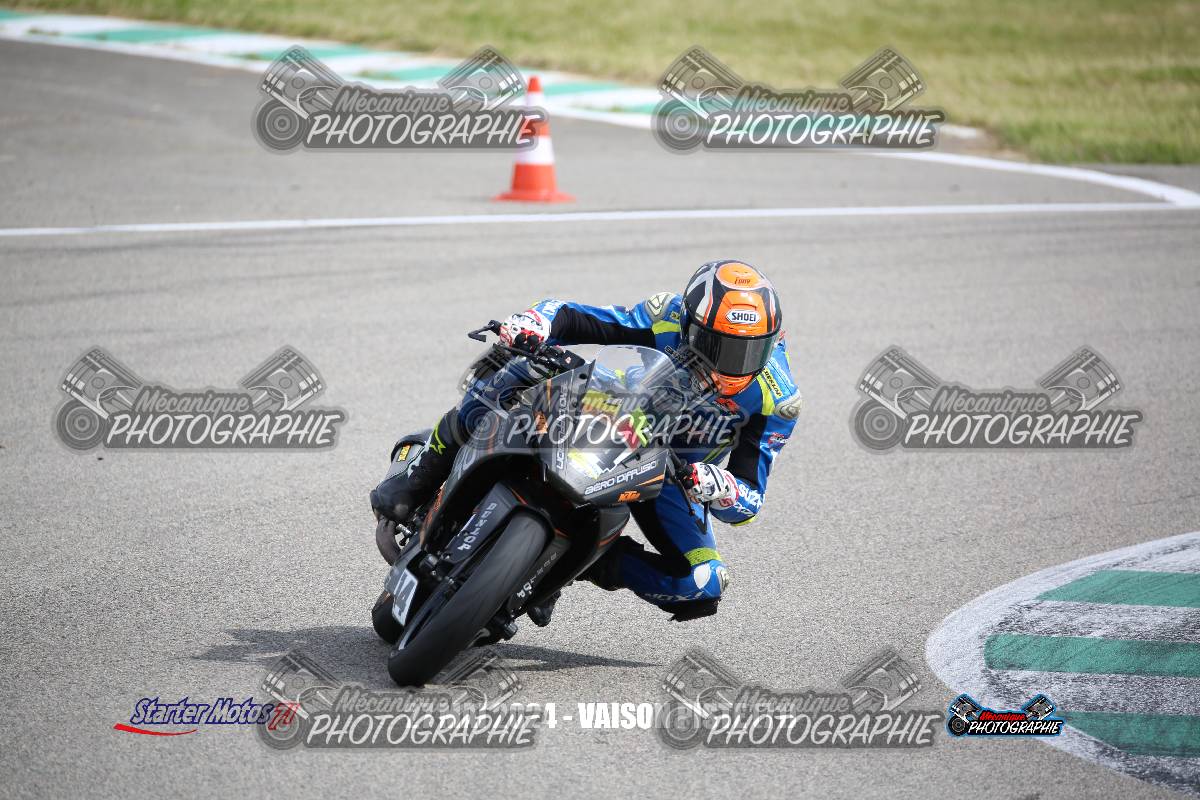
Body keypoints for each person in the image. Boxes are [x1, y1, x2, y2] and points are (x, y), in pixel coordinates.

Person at [371, 260, 801, 623]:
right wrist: (535, 323)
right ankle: (425, 467)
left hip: (670, 473)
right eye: (717, 345)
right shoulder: (666, 316)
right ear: (690, 325)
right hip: (608, 407)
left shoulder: (777, 400)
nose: (732, 364)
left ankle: (572, 564)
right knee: (517, 367)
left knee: (703, 583)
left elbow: (749, 503)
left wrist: (716, 485)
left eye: (749, 351)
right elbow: (572, 315)